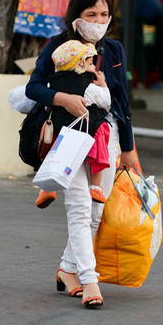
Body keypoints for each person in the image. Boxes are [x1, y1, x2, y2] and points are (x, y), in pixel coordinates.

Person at [26, 0, 136, 309]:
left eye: (104, 14)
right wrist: (64, 99)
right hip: (67, 135)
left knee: (96, 213)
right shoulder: (57, 46)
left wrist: (129, 148)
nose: (99, 20)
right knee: (78, 207)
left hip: (106, 136)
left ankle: (66, 269)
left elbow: (123, 101)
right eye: (91, 14)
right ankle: (90, 281)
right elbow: (33, 87)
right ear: (77, 17)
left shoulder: (113, 50)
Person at [35, 40, 112, 209]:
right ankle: (96, 187)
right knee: (97, 152)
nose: (94, 68)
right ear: (79, 66)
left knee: (56, 158)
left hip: (61, 128)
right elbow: (106, 102)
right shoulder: (88, 87)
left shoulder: (53, 83)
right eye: (91, 64)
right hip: (86, 130)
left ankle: (46, 190)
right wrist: (103, 85)